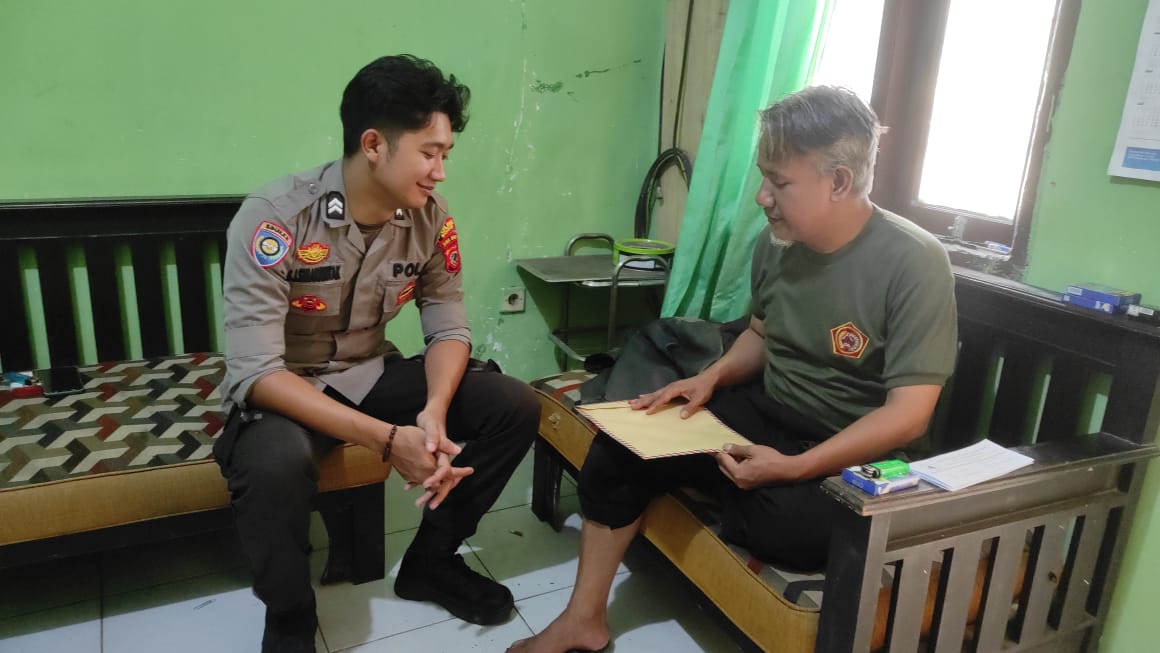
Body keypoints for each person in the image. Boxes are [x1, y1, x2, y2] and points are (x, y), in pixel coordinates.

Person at [508, 85, 958, 653]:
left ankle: (744, 488)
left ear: (839, 181)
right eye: (763, 178)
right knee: (622, 445)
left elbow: (909, 416)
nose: (762, 197)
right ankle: (584, 619)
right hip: (770, 409)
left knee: (785, 526)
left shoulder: (914, 262)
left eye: (779, 183)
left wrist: (795, 467)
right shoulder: (777, 243)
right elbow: (761, 336)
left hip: (858, 447)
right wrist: (710, 379)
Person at [215, 54, 538, 653]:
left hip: (368, 372)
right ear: (373, 145)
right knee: (273, 463)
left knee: (513, 404)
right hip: (289, 386)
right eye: (429, 153)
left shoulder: (430, 220)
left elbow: (448, 326)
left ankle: (432, 562)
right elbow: (256, 371)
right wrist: (389, 440)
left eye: (446, 154)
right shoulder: (276, 219)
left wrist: (434, 409)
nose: (440, 172)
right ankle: (289, 616)